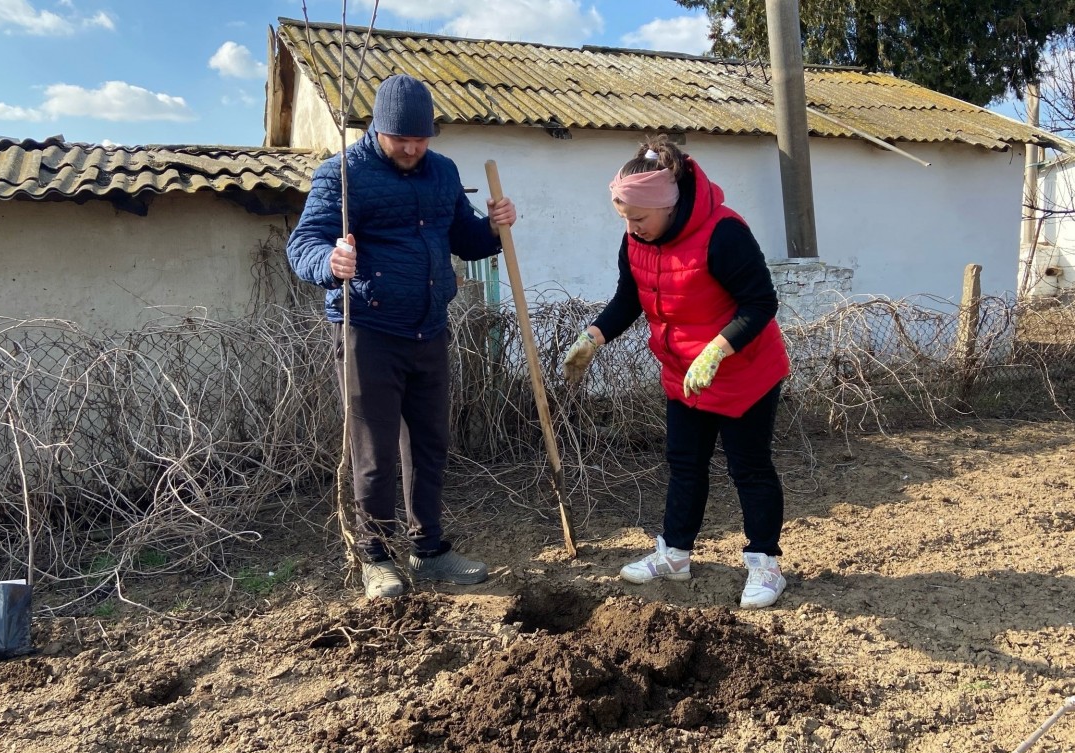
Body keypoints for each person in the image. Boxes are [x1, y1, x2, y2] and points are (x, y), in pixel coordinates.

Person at [287, 74, 516, 600]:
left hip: (431, 329)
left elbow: (465, 236)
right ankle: (374, 556)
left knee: (431, 445)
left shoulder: (443, 172)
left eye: (421, 139)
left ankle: (430, 550)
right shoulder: (342, 176)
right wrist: (330, 260)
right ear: (376, 129)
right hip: (369, 330)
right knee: (376, 453)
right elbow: (303, 244)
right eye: (400, 140)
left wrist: (495, 228)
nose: (412, 149)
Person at [563, 135, 790, 609]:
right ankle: (675, 555)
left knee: (748, 468)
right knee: (684, 464)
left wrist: (717, 351)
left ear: (668, 205)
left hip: (744, 370)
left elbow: (760, 302)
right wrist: (593, 337)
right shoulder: (636, 238)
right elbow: (631, 298)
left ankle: (765, 563)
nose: (632, 227)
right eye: (624, 218)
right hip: (683, 372)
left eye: (639, 218)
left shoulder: (724, 233)